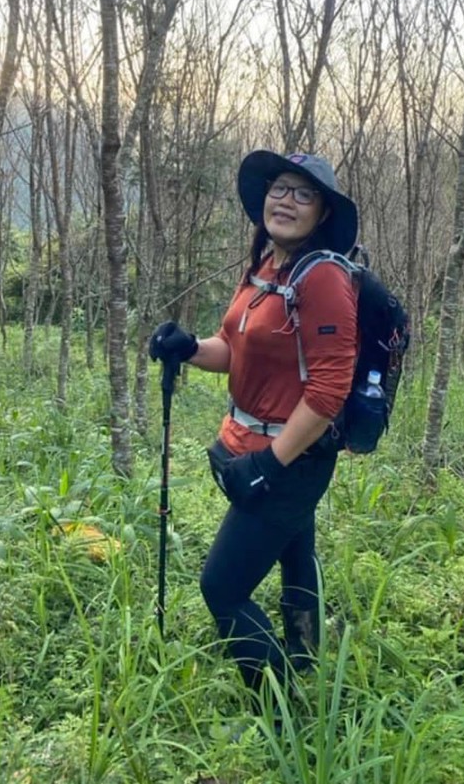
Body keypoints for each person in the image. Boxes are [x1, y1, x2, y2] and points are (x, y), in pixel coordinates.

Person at [149, 150, 359, 708]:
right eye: (279, 189)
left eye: (304, 194)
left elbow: (329, 392)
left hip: (290, 461)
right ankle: (306, 658)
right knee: (296, 553)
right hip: (254, 448)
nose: (286, 201)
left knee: (222, 587)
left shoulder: (324, 278)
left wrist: (270, 464)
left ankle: (281, 709)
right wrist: (190, 348)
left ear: (323, 213)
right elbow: (235, 348)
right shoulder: (267, 267)